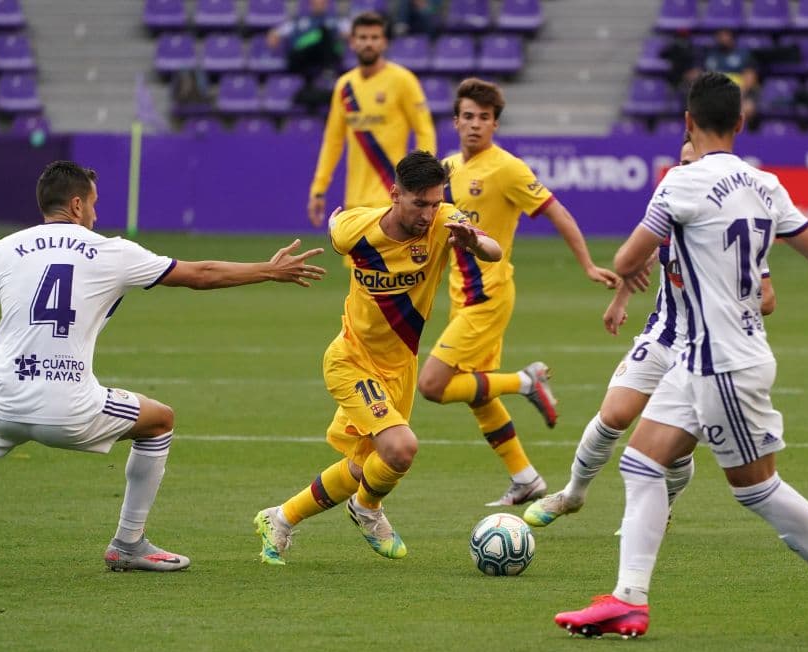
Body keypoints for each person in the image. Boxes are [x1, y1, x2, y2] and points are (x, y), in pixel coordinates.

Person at [552, 73, 808, 640]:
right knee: (641, 462)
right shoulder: (766, 183)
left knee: (756, 489)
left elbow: (626, 260)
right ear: (741, 123)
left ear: (687, 122)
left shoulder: (679, 182)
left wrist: (643, 252)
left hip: (723, 362)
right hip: (705, 357)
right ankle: (628, 600)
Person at [0, 161, 326, 572]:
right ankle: (128, 543)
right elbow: (200, 274)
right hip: (70, 410)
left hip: (5, 404)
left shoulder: (3, 250)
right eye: (94, 203)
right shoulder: (111, 251)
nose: (96, 214)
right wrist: (269, 270)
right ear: (76, 205)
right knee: (160, 421)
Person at [255, 150, 502, 565]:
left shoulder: (445, 222)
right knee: (401, 449)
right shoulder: (358, 230)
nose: (428, 214)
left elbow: (494, 251)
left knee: (363, 466)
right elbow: (336, 227)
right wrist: (330, 222)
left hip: (400, 367)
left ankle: (279, 518)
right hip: (351, 360)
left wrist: (475, 242)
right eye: (419, 203)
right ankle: (367, 509)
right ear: (395, 195)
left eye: (435, 203)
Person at [524, 133, 776, 530]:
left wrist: (723, 295)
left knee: (674, 450)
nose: (686, 170)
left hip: (705, 350)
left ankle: (664, 504)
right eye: (683, 163)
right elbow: (640, 258)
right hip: (663, 334)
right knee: (613, 415)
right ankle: (572, 494)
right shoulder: (672, 205)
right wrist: (620, 300)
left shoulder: (730, 223)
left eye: (694, 164)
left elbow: (767, 298)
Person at [415, 78, 620, 507]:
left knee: (433, 385)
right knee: (479, 394)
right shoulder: (446, 169)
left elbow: (557, 212)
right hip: (462, 296)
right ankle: (525, 478)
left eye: (484, 117)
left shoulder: (508, 169)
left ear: (495, 124)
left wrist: (587, 264)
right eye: (468, 116)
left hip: (487, 297)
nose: (475, 124)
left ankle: (527, 381)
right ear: (455, 121)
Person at [307, 11, 436, 229]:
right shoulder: (344, 86)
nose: (369, 43)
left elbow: (424, 130)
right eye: (363, 37)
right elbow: (333, 141)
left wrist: (423, 180)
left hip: (392, 197)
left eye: (375, 37)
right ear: (352, 42)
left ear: (384, 42)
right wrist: (318, 189)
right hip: (355, 202)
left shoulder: (403, 81)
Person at [266, 0, 346, 112]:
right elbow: (276, 33)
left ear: (326, 4)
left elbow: (351, 33)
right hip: (301, 56)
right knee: (322, 34)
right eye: (316, 3)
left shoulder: (336, 21)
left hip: (323, 56)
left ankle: (327, 73)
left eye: (322, 3)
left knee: (325, 33)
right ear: (310, 4)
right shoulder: (298, 21)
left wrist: (344, 37)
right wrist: (273, 35)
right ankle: (328, 72)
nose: (319, 6)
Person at [703, 30, 759, 126]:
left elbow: (750, 76)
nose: (723, 38)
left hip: (740, 94)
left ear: (732, 36)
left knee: (748, 108)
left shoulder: (743, 54)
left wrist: (739, 95)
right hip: (715, 95)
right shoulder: (711, 55)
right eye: (720, 35)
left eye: (726, 35)